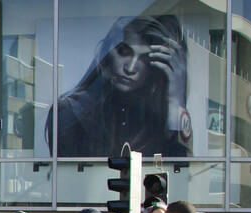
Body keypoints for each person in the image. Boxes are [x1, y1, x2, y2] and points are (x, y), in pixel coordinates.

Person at [48, 15, 190, 158]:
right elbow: (69, 174)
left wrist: (175, 101)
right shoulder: (70, 112)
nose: (130, 68)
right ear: (108, 53)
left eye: (145, 59)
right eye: (124, 52)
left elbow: (179, 172)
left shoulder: (155, 120)